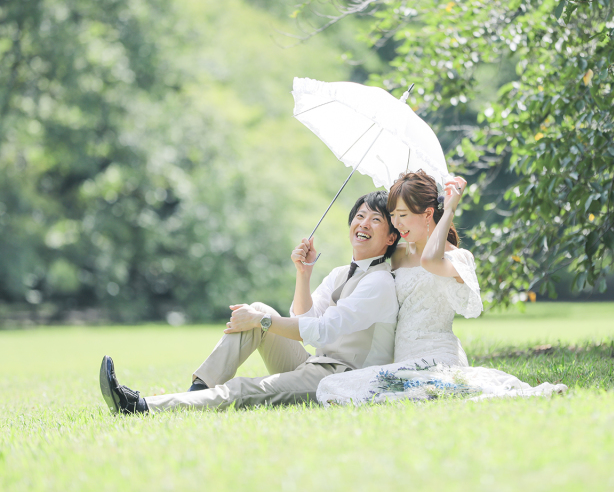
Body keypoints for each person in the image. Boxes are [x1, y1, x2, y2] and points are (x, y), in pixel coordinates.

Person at [99, 191, 400, 414]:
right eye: (360, 215)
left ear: (390, 239)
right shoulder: (340, 273)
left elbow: (321, 331)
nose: (364, 223)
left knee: (243, 387)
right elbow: (303, 314)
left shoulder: (379, 283)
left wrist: (260, 321)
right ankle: (196, 394)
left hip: (341, 378)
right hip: (315, 364)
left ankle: (138, 406)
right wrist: (303, 274)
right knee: (261, 308)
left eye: (376, 220)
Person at [316, 171, 567, 405]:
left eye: (402, 215)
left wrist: (449, 211)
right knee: (333, 385)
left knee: (429, 390)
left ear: (427, 214)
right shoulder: (400, 253)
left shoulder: (458, 259)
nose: (396, 223)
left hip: (439, 356)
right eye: (392, 214)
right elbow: (363, 256)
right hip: (403, 357)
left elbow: (430, 261)